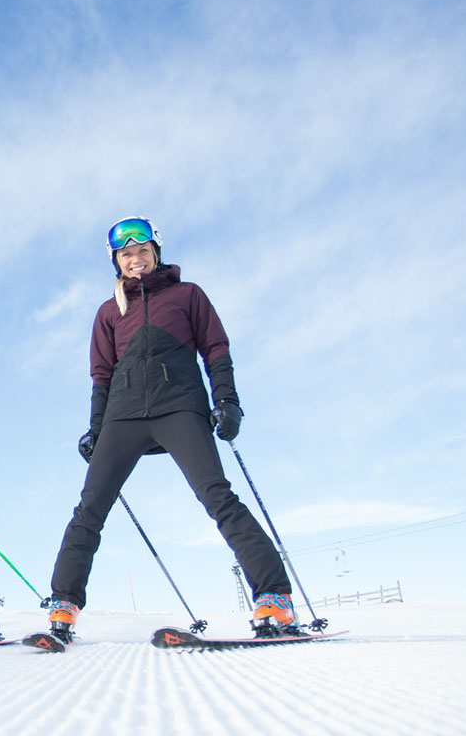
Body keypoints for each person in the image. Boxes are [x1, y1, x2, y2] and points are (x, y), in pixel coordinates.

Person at [42, 216, 296, 641]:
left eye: (142, 251)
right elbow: (101, 375)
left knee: (218, 497)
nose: (135, 259)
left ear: (156, 252)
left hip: (179, 406)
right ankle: (64, 605)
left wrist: (227, 401)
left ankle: (274, 597)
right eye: (126, 254)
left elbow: (216, 348)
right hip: (123, 414)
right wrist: (95, 428)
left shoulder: (187, 295)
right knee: (90, 508)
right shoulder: (108, 312)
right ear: (116, 262)